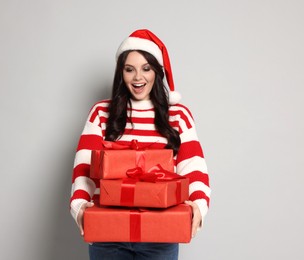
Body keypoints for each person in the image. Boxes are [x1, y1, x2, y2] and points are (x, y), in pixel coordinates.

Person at [70, 29, 211, 260]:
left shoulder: (178, 115)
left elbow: (194, 169)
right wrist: (80, 208)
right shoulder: (101, 113)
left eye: (146, 68)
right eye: (129, 69)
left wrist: (198, 205)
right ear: (121, 73)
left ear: (157, 71)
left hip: (160, 235)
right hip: (107, 235)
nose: (138, 78)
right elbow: (83, 170)